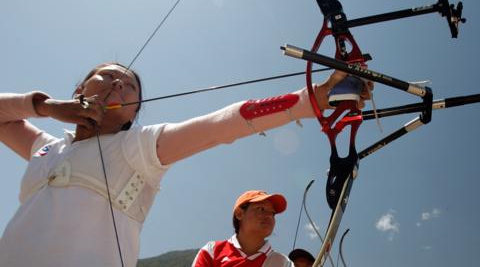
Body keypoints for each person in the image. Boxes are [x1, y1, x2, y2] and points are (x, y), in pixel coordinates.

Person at [0, 62, 372, 267]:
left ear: (133, 114)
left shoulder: (138, 146)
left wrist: (317, 97)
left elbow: (223, 124)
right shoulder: (44, 147)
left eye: (130, 86)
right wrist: (45, 106)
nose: (118, 83)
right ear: (80, 89)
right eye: (107, 75)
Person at [191, 190, 293, 267]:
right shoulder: (212, 251)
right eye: (261, 209)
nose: (269, 216)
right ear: (239, 214)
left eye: (273, 213)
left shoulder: (284, 262)